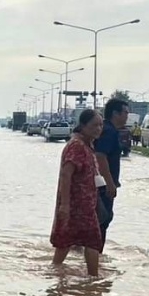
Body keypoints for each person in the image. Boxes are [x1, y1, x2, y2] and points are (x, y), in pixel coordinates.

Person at [51, 109, 105, 276]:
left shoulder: (87, 145)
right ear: (83, 125)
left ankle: (55, 270)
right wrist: (65, 205)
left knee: (66, 239)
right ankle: (93, 280)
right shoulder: (77, 146)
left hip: (86, 202)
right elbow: (66, 174)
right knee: (93, 240)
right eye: (94, 125)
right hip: (77, 204)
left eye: (100, 125)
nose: (98, 129)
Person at [95, 99, 129, 250]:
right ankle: (95, 258)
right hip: (102, 186)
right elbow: (100, 156)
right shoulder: (109, 131)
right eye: (125, 112)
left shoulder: (106, 129)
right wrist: (110, 183)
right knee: (102, 220)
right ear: (116, 113)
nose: (127, 116)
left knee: (99, 220)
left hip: (99, 183)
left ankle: (89, 258)